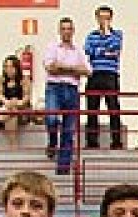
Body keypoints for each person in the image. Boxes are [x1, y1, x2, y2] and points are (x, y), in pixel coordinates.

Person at [42, 17, 90, 176]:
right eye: (63, 29)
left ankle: (62, 170)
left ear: (73, 31)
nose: (66, 32)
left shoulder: (79, 50)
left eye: (69, 29)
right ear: (59, 31)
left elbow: (88, 71)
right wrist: (74, 69)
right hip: (54, 87)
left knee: (69, 131)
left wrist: (62, 67)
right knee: (52, 118)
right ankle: (52, 141)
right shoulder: (51, 47)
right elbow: (50, 68)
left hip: (72, 89)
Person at [82, 5, 124, 151]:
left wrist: (105, 40)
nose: (104, 20)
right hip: (94, 74)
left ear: (111, 18)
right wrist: (105, 50)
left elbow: (115, 49)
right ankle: (92, 141)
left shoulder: (117, 34)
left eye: (107, 17)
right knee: (92, 109)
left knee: (113, 108)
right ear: (97, 18)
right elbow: (88, 50)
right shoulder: (91, 35)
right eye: (101, 17)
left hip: (111, 74)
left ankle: (116, 141)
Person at [0, 55, 33, 149]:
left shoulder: (24, 80)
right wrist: (8, 103)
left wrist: (16, 103)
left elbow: (26, 98)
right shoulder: (0, 80)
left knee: (13, 113)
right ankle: (13, 144)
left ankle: (13, 144)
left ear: (17, 68)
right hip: (6, 109)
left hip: (21, 111)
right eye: (6, 67)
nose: (8, 69)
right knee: (11, 114)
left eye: (11, 67)